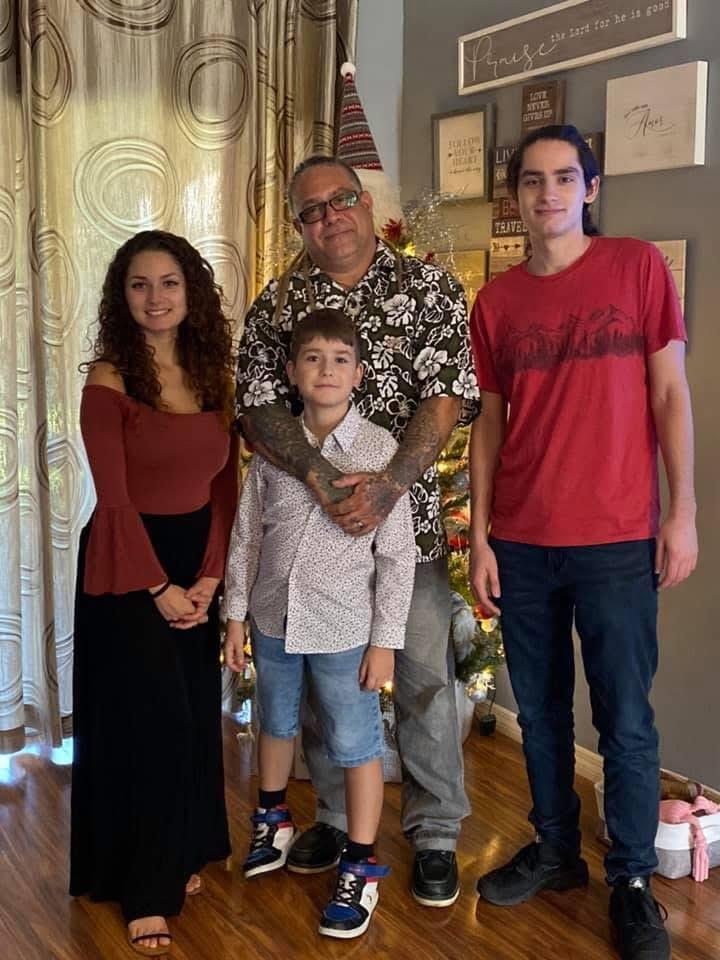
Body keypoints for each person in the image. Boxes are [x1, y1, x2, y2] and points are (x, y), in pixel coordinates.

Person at [469, 125, 697, 960]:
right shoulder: (494, 303)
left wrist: (684, 512)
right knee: (538, 711)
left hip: (615, 538)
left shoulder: (638, 268)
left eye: (565, 178)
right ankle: (558, 853)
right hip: (522, 541)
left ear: (589, 189)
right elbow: (490, 424)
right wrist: (481, 536)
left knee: (626, 720)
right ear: (516, 197)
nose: (548, 194)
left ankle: (631, 879)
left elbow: (670, 396)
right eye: (532, 181)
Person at [236, 154, 478, 906]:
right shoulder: (280, 302)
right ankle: (340, 823)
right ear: (301, 226)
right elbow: (257, 406)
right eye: (310, 211)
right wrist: (318, 475)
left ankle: (434, 833)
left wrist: (390, 485)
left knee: (424, 680)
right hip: (308, 542)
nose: (328, 218)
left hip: (405, 528)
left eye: (340, 201)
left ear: (364, 202)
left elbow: (447, 395)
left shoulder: (429, 287)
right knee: (321, 686)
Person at [70, 230, 238, 957]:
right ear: (122, 297)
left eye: (169, 282)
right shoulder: (109, 380)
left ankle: (178, 849)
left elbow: (225, 486)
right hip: (126, 562)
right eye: (140, 285)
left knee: (197, 715)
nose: (156, 297)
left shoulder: (213, 375)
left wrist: (208, 574)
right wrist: (159, 586)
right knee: (151, 722)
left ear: (191, 290)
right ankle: (143, 886)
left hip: (195, 559)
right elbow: (112, 499)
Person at [224, 308, 415, 938]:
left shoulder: (379, 452)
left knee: (356, 743)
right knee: (275, 724)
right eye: (312, 358)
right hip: (274, 621)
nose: (326, 369)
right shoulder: (275, 451)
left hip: (343, 630)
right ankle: (274, 819)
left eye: (339, 359)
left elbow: (397, 555)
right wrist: (234, 617)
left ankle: (360, 863)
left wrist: (385, 643)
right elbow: (247, 537)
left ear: (359, 374)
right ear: (291, 371)